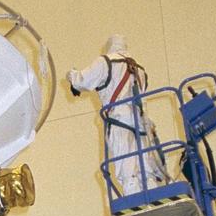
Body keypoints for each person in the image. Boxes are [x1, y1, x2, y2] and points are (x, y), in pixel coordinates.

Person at [67, 35, 169, 196]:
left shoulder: (106, 62)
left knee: (128, 170)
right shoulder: (140, 70)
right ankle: (154, 198)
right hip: (142, 125)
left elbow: (82, 81)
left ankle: (136, 203)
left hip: (119, 122)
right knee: (146, 170)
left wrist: (71, 76)